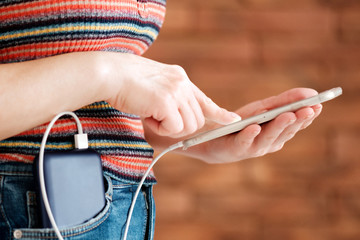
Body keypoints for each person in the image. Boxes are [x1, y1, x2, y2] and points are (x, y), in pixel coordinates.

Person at [0, 0, 322, 239]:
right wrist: (112, 74)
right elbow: (108, 76)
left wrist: (192, 135)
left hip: (125, 206)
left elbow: (94, 95)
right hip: (32, 201)